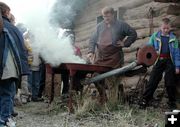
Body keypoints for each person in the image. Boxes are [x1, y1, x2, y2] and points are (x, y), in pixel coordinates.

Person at [87, 6, 137, 103]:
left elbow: (133, 34)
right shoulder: (100, 26)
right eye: (104, 17)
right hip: (101, 59)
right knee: (95, 77)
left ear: (113, 15)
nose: (106, 19)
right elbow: (92, 40)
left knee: (113, 80)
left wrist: (125, 43)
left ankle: (114, 102)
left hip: (114, 59)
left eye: (108, 16)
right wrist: (91, 51)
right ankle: (103, 96)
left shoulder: (121, 25)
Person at [139, 18, 180, 109]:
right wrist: (153, 54)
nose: (166, 30)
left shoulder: (173, 38)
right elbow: (149, 48)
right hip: (159, 60)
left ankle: (172, 102)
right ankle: (145, 100)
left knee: (170, 82)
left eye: (167, 28)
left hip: (170, 61)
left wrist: (177, 66)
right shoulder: (155, 36)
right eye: (164, 28)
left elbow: (177, 53)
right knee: (153, 80)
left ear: (170, 28)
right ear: (160, 27)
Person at [0, 2, 29, 127]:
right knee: (7, 93)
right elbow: (22, 49)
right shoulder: (11, 28)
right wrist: (23, 68)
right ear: (6, 12)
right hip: (7, 67)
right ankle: (4, 120)